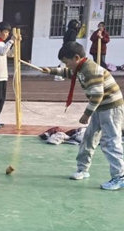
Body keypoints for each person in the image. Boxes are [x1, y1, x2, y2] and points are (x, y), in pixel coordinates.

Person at [41, 42, 124, 190]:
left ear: (76, 58)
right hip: (100, 107)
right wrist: (51, 71)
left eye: (67, 62)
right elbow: (69, 73)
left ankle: (120, 177)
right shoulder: (80, 67)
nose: (66, 66)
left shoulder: (90, 70)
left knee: (110, 141)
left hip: (111, 108)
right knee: (89, 138)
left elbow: (97, 95)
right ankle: (83, 169)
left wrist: (86, 114)